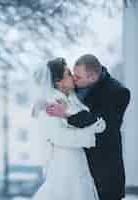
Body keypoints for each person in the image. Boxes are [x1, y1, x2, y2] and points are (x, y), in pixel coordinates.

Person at [46, 54, 131, 200]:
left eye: (77, 77)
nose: (73, 78)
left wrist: (66, 115)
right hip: (77, 166)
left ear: (91, 77)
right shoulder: (75, 87)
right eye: (72, 74)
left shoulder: (118, 93)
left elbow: (99, 122)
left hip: (104, 171)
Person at [31, 57, 105, 200]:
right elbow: (59, 137)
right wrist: (89, 135)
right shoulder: (50, 104)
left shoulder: (71, 98)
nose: (73, 78)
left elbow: (88, 120)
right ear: (59, 82)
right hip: (65, 163)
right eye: (69, 74)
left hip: (77, 160)